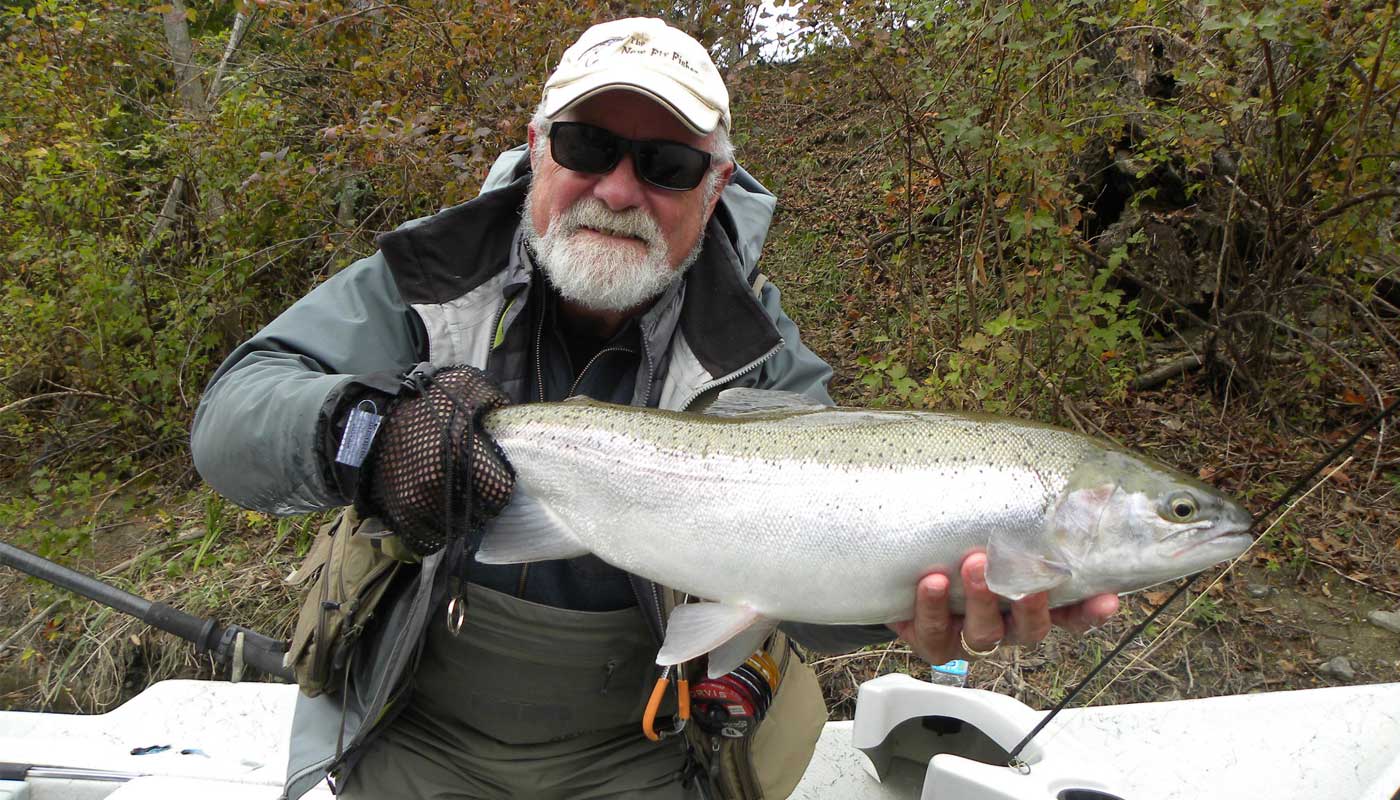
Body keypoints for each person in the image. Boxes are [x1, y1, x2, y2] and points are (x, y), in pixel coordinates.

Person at [190, 17, 1117, 800]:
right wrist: (372, 437)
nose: (619, 189)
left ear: (715, 187)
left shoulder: (756, 351)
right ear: (538, 143)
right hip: (410, 720)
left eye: (668, 164)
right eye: (588, 146)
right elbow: (233, 421)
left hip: (644, 747)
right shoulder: (426, 280)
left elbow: (816, 583)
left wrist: (909, 612)